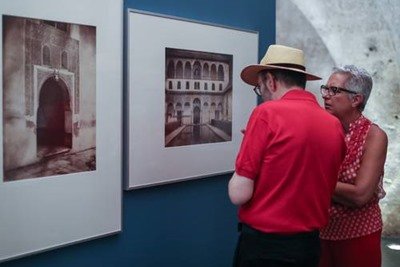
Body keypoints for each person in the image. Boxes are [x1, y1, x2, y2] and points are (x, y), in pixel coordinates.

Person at [228, 44, 346, 267]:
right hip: (309, 246)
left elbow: (238, 194)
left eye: (259, 88)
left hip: (265, 247)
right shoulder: (333, 124)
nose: (261, 95)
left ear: (271, 81)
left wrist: (249, 148)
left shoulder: (266, 114)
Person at [319, 65, 388, 267]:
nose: (326, 96)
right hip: (322, 232)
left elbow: (360, 195)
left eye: (335, 90)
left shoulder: (374, 136)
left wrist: (312, 179)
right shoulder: (322, 129)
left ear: (356, 99)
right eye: (326, 88)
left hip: (358, 236)